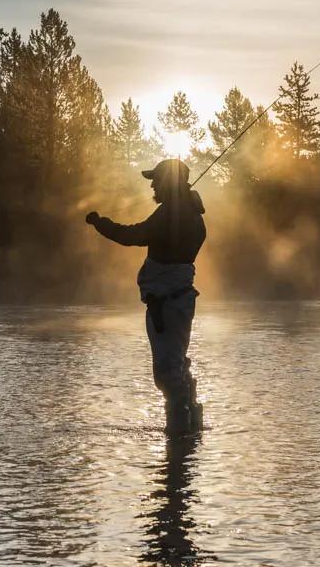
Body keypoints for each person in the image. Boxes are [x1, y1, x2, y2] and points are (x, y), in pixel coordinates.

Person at [85, 158, 206, 434]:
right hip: (180, 300)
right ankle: (190, 438)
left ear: (169, 182)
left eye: (156, 180)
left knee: (167, 372)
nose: (152, 185)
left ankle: (177, 447)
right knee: (176, 365)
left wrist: (99, 223)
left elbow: (132, 236)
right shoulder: (193, 216)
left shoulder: (170, 215)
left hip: (166, 303)